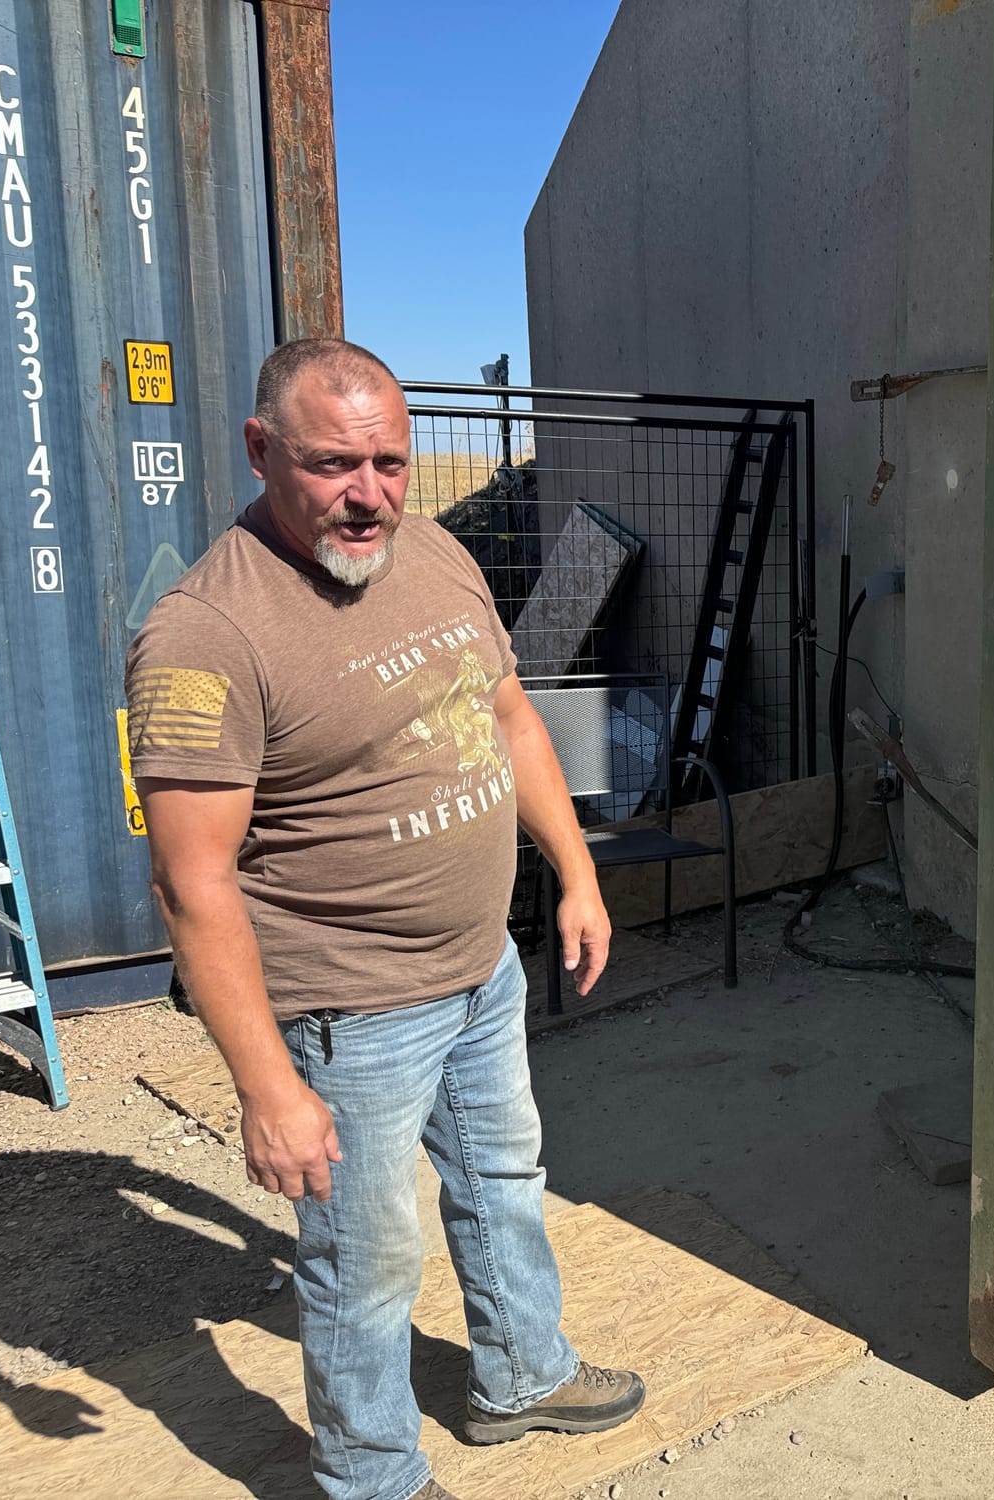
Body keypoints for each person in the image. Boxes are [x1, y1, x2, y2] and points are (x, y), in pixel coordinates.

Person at [127, 339, 642, 1500]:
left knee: (506, 1180)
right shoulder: (207, 632)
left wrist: (576, 870)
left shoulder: (435, 550)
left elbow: (509, 716)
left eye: (390, 464)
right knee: (364, 1262)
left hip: (479, 971)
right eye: (331, 466)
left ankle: (521, 1374)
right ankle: (370, 1477)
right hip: (348, 1015)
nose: (369, 496)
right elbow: (191, 885)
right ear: (262, 453)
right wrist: (268, 1091)